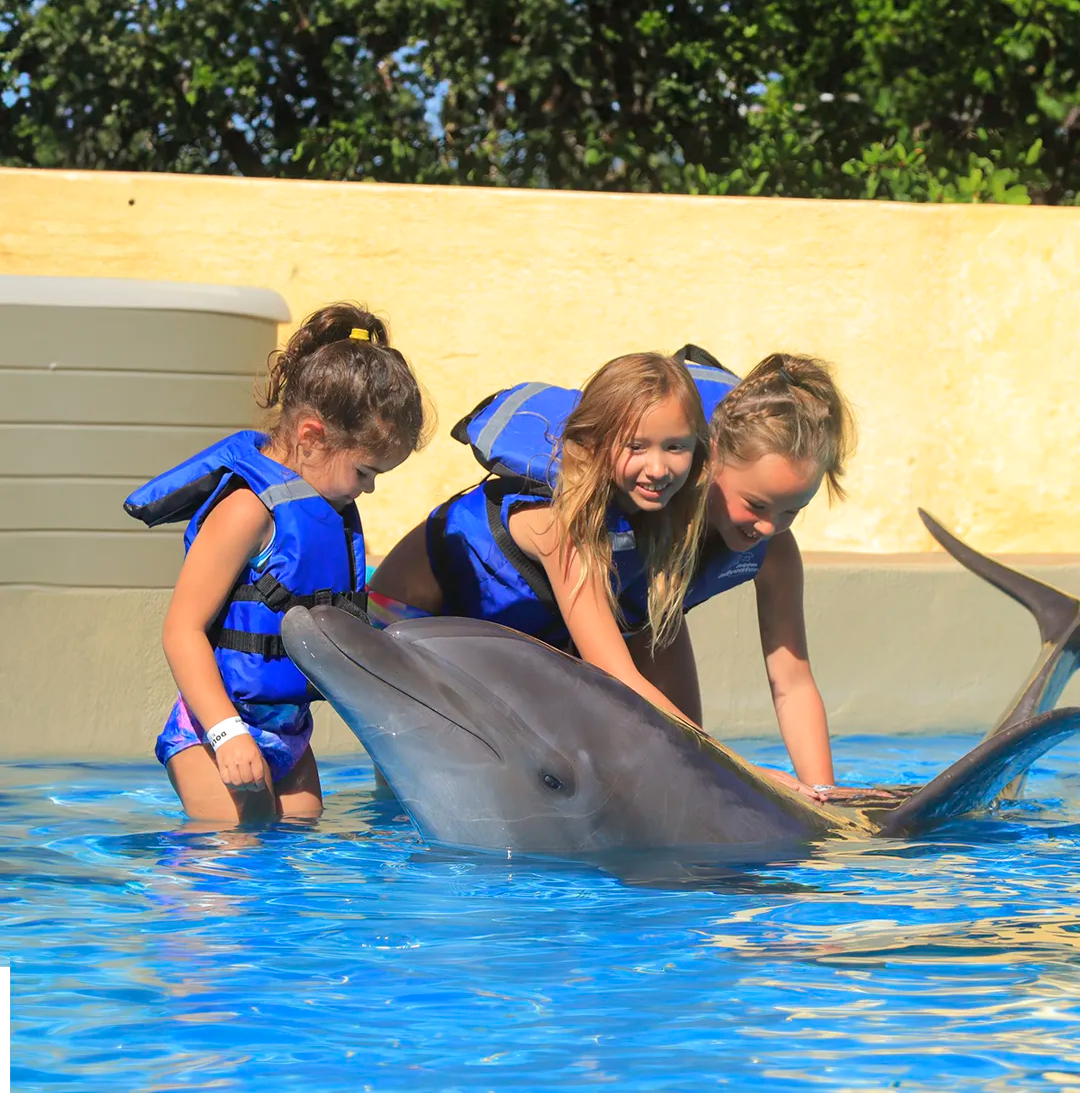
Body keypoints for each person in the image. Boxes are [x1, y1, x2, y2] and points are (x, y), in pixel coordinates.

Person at [368, 348, 861, 801]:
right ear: (708, 465)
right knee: (424, 796)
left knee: (682, 767)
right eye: (755, 504)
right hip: (412, 621)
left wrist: (824, 796)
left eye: (793, 511)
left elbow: (791, 680)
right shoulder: (575, 522)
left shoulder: (713, 539)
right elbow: (616, 673)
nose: (770, 527)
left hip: (522, 630)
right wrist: (740, 770)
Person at [125, 303, 430, 824]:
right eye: (364, 471)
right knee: (232, 853)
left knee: (294, 845)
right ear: (312, 437)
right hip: (214, 731)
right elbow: (181, 629)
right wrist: (225, 732)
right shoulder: (249, 509)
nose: (369, 488)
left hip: (289, 734)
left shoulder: (327, 512)